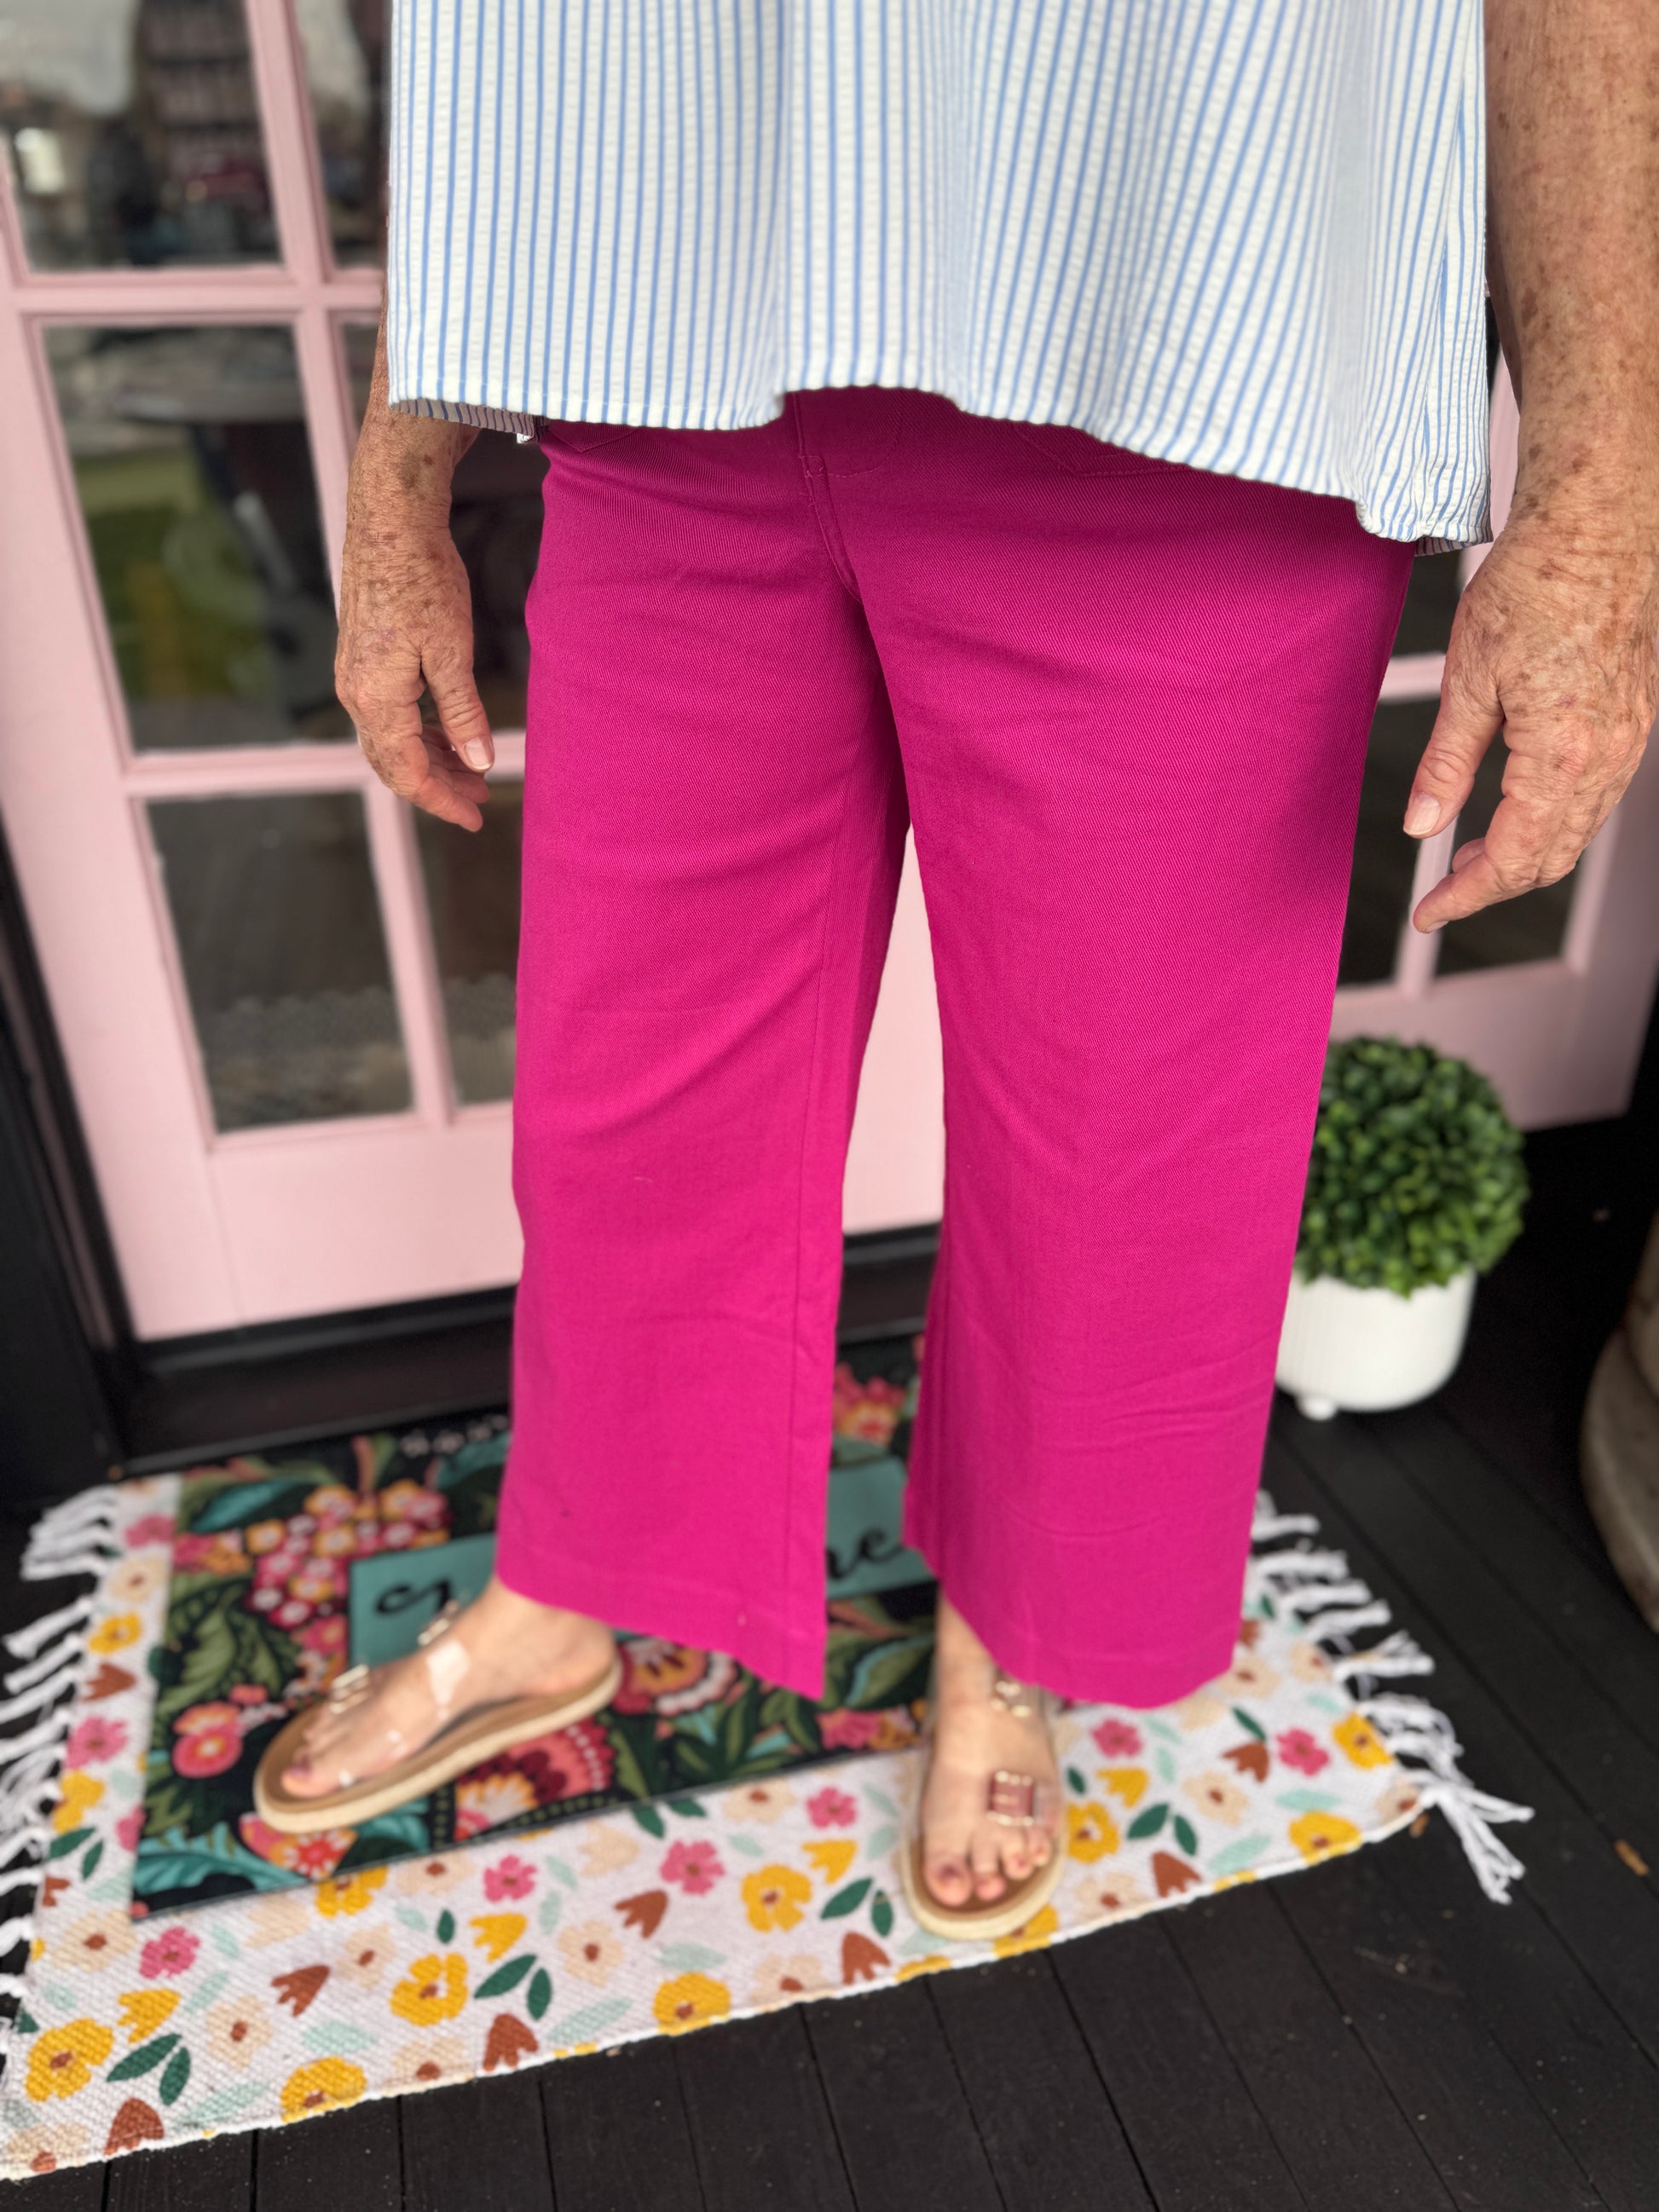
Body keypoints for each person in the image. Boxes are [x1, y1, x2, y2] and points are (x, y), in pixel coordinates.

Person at [253, 0, 1658, 1938]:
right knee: (626, 1094)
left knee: (1119, 1147)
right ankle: (571, 1577)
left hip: (1200, 354)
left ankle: (1012, 1624)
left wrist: (1601, 498)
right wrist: (403, 441)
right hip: (672, 337)